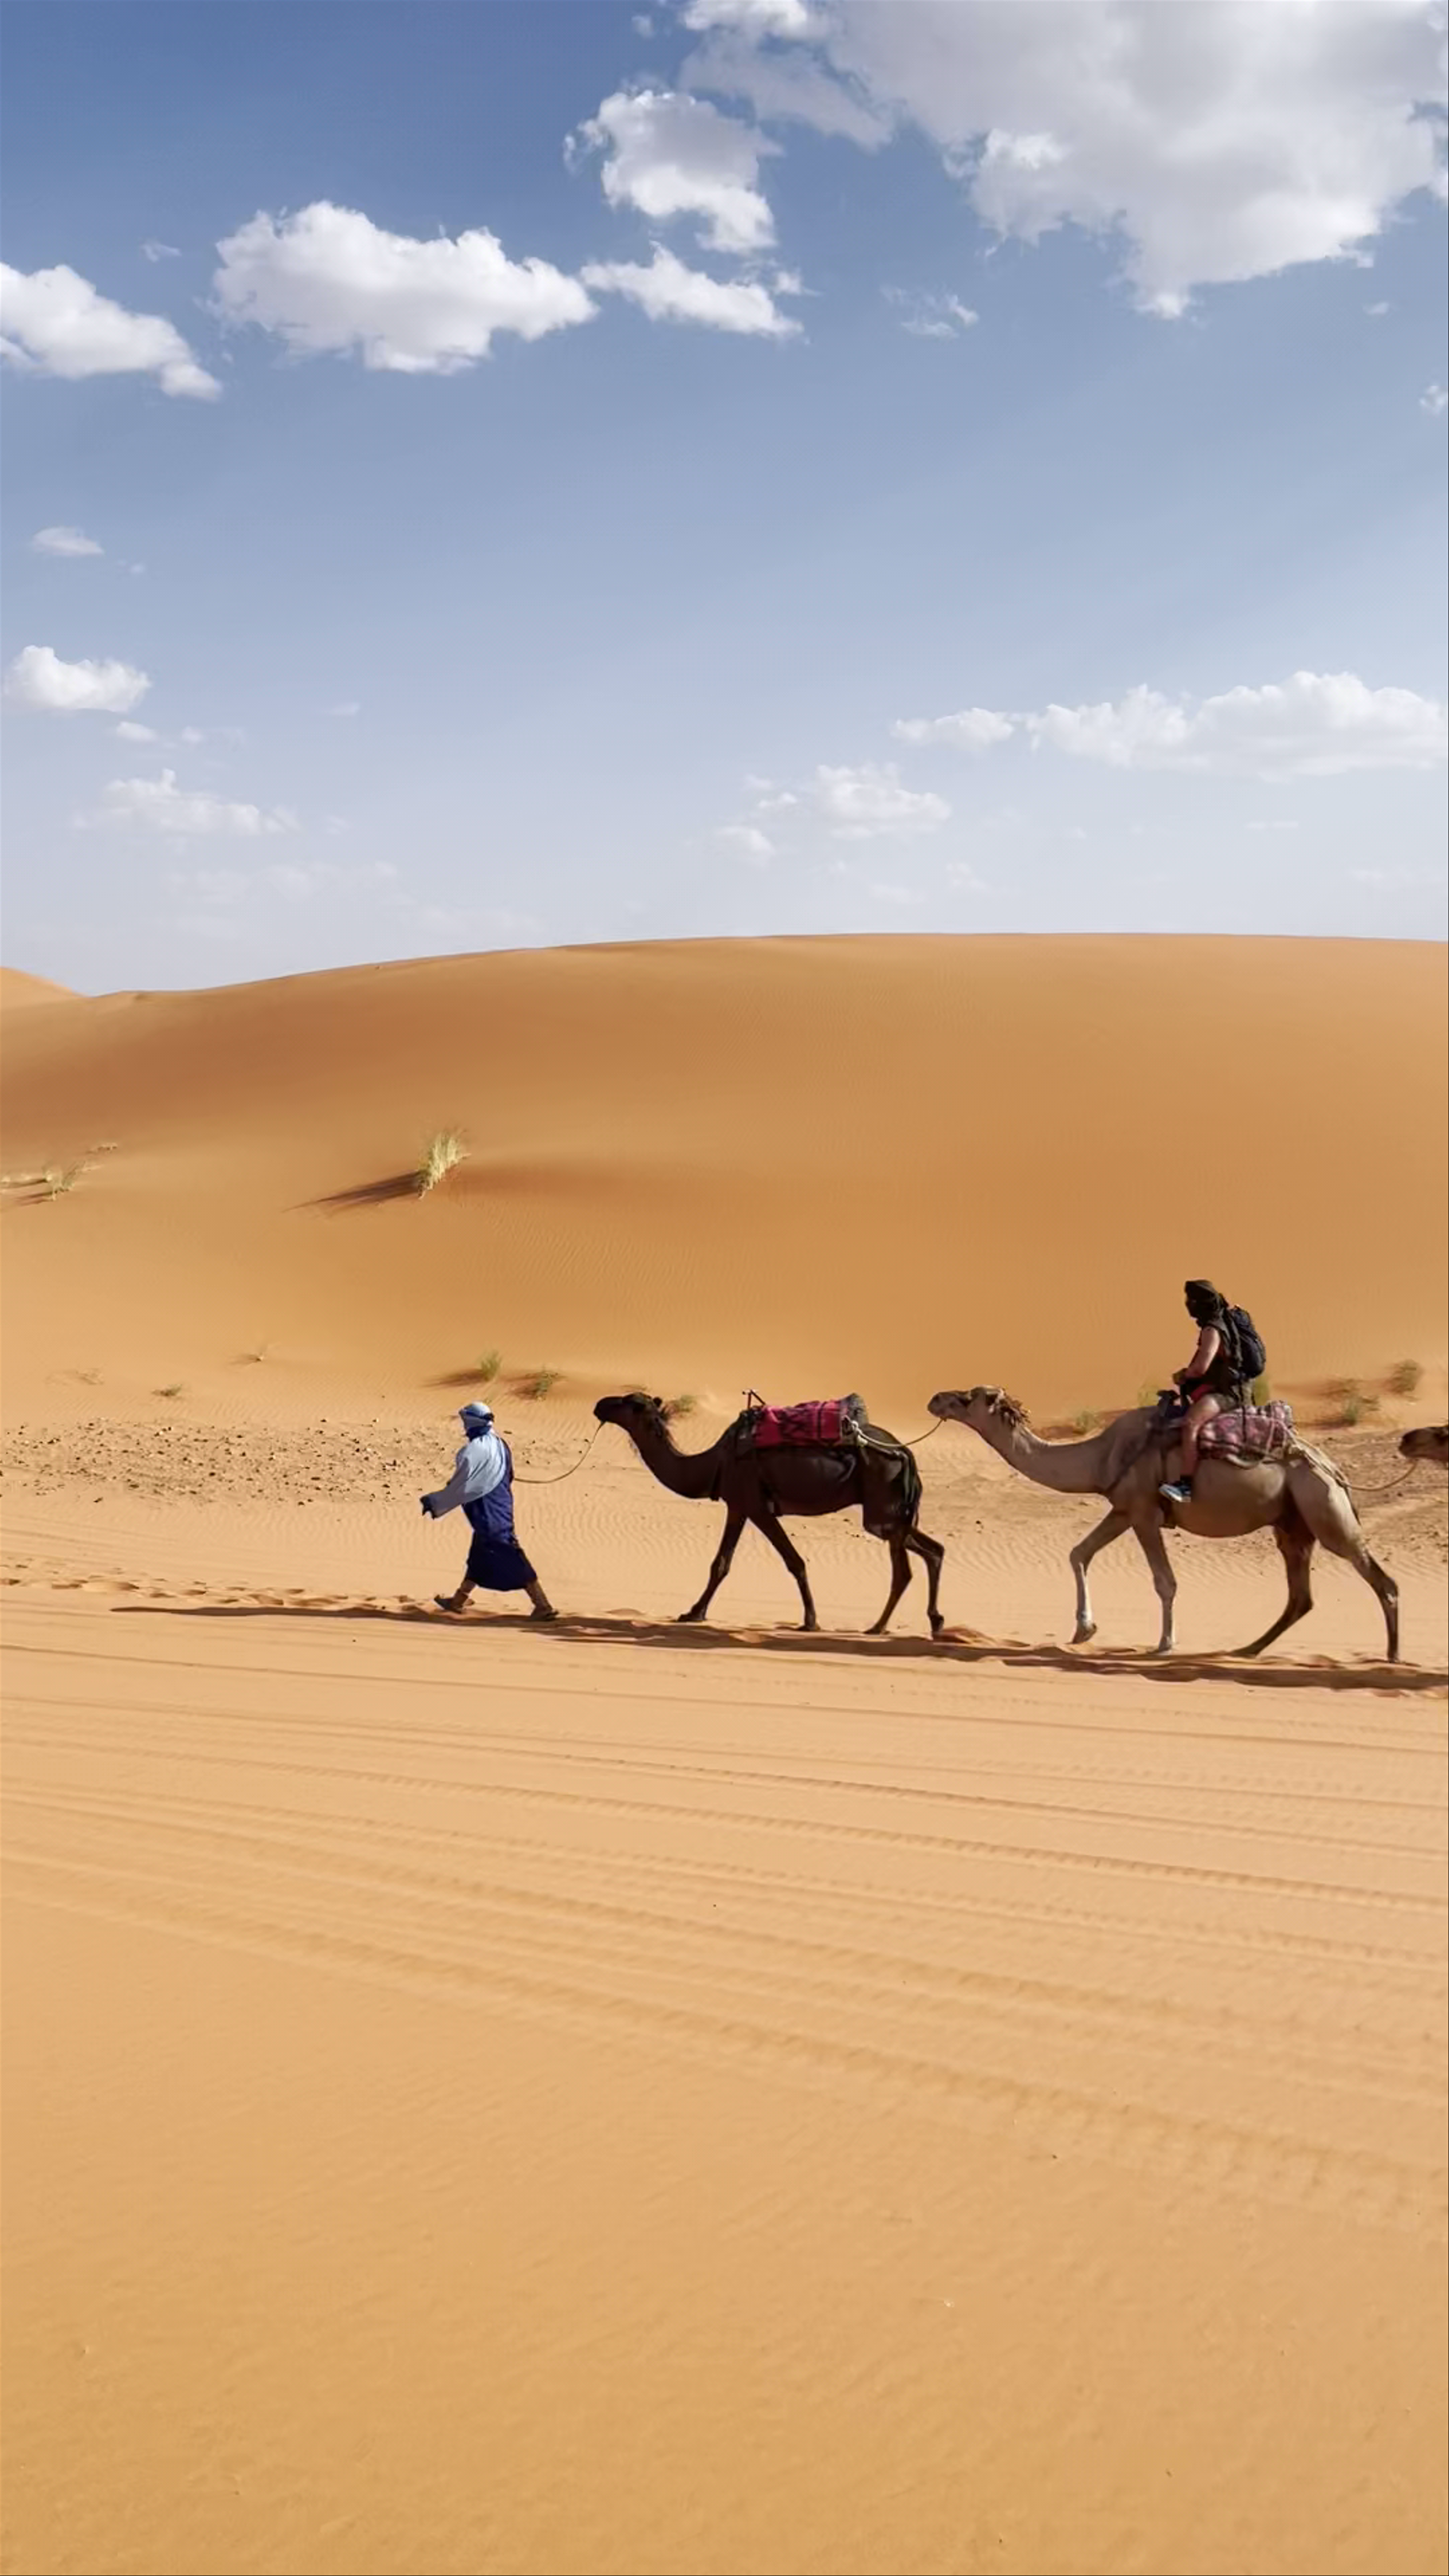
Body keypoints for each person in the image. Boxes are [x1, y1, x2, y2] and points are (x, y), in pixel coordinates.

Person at [421, 1401, 558, 1620]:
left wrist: (436, 1501)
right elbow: (509, 1474)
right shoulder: (501, 1444)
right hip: (502, 1501)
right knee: (480, 1555)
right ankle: (458, 1601)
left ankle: (543, 1605)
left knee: (508, 1550)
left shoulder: (471, 1451)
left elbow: (461, 1485)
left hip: (488, 1508)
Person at [1158, 1279, 1241, 1505]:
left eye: (1191, 1300)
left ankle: (1186, 1486)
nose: (1188, 1304)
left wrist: (1184, 1375)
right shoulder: (1221, 1323)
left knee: (1191, 1424)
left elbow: (1201, 1368)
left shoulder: (1213, 1329)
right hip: (1226, 1390)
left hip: (1226, 1395)